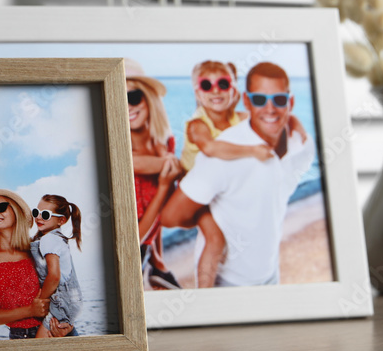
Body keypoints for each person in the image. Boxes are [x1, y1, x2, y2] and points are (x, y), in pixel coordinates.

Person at [160, 62, 316, 288]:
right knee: (214, 241)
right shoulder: (198, 125)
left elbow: (271, 115)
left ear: (233, 90)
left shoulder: (239, 119)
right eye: (207, 85)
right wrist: (252, 151)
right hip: (191, 186)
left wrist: (296, 125)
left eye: (223, 84)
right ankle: (203, 295)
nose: (215, 90)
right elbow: (211, 149)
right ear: (197, 92)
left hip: (268, 275)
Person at [125, 59, 183, 290]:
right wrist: (164, 186)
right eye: (118, 99)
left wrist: (158, 260)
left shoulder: (165, 142)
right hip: (132, 256)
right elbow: (133, 241)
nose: (127, 106)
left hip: (148, 252)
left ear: (148, 97)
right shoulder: (122, 155)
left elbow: (156, 216)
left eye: (133, 97)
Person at [0, 189, 53, 340]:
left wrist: (66, 324)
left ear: (16, 213)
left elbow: (62, 290)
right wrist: (30, 311)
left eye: (1, 208)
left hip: (56, 331)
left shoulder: (36, 250)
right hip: (23, 338)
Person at [30, 195, 84, 338]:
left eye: (46, 215)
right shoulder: (54, 238)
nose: (39, 217)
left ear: (61, 220)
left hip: (61, 300)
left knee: (38, 347)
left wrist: (40, 301)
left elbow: (54, 276)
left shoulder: (49, 239)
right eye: (36, 212)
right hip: (70, 300)